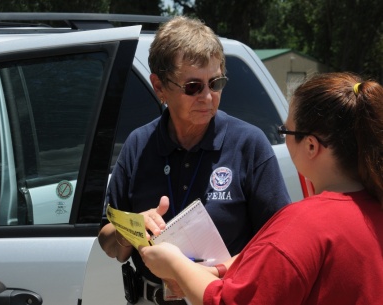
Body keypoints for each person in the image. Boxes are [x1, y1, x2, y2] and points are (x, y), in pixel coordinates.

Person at [139, 71, 383, 305]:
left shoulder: (304, 225)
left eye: (285, 131)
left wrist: (173, 263)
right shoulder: (373, 208)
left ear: (311, 146)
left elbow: (228, 301)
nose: (283, 138)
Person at [98, 16, 291, 304]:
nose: (208, 96)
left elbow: (280, 243)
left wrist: (213, 272)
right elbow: (108, 241)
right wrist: (131, 230)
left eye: (216, 83)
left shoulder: (249, 145)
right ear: (159, 87)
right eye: (193, 87)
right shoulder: (138, 145)